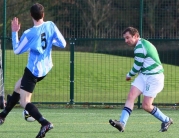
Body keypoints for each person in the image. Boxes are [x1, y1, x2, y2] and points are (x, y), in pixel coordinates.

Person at [0, 3, 66, 138]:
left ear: (31, 15)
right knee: (17, 87)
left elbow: (17, 50)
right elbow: (63, 44)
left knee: (24, 101)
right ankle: (2, 116)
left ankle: (45, 123)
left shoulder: (29, 33)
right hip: (46, 68)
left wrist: (14, 32)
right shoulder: (51, 25)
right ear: (43, 14)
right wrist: (50, 41)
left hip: (33, 71)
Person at [109, 27, 173, 132]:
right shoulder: (141, 44)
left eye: (128, 38)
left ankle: (166, 120)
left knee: (146, 106)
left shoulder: (140, 47)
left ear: (135, 36)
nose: (126, 41)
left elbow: (137, 66)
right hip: (144, 75)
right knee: (131, 96)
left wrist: (129, 75)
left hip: (154, 77)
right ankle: (121, 123)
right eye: (124, 38)